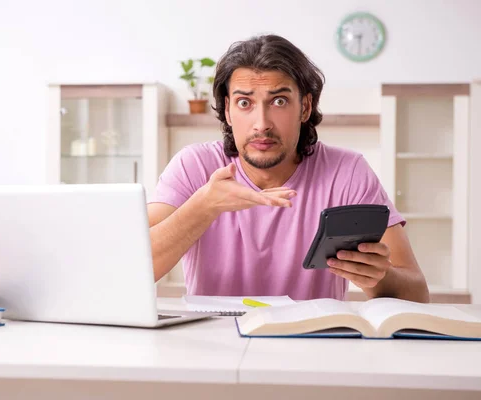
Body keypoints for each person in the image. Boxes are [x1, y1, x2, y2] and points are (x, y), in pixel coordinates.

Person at [148, 34, 429, 302]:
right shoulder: (194, 166)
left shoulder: (347, 171)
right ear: (228, 110)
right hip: (215, 343)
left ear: (305, 107)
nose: (262, 123)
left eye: (279, 101)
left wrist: (378, 277)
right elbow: (135, 269)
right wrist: (203, 206)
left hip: (311, 344)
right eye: (244, 103)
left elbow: (417, 294)